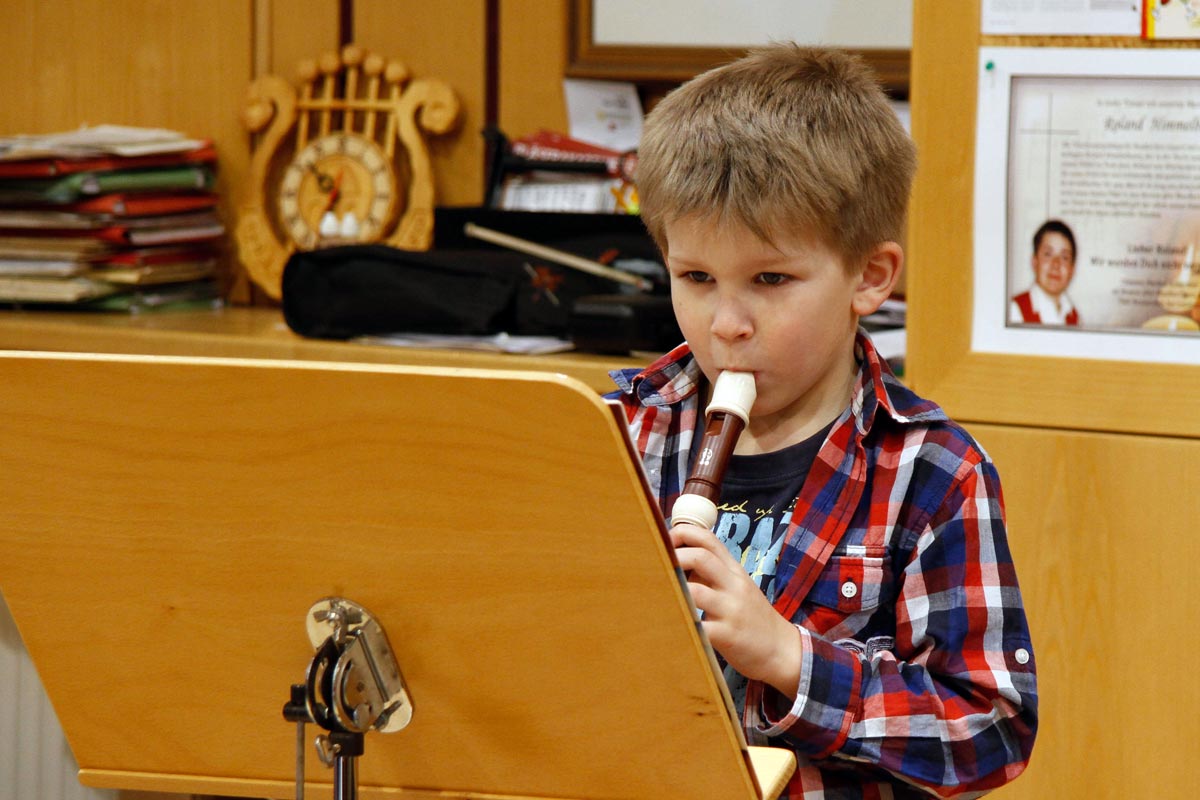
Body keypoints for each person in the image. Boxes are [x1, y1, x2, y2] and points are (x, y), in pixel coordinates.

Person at [609, 45, 1037, 798]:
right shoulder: (618, 434)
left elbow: (989, 731)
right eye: (696, 278)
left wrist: (788, 659)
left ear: (869, 277)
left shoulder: (934, 474)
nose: (727, 324)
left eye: (770, 279)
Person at [1010, 219, 1079, 325]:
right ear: (1034, 262)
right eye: (1048, 254)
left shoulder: (1074, 317)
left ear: (1072, 270)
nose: (1056, 264)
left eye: (1064, 257)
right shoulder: (1015, 310)